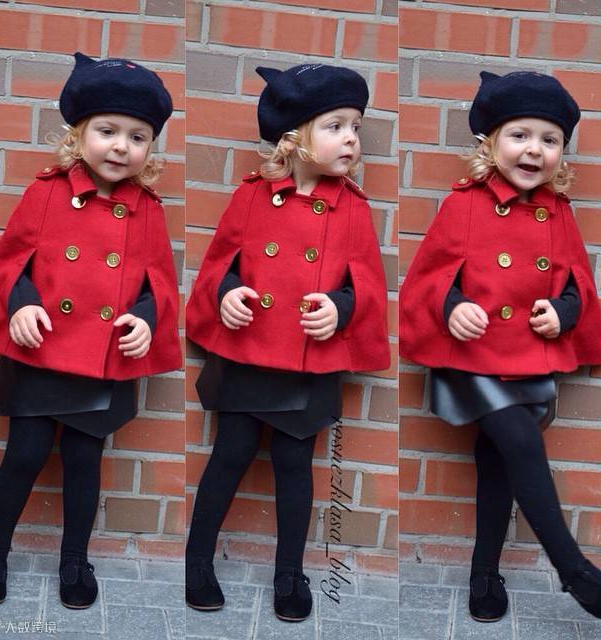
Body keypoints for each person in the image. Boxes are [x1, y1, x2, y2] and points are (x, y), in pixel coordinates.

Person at [400, 70, 601, 622]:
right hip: (471, 358)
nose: (534, 149)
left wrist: (561, 313)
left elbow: (576, 285)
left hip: (524, 356)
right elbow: (427, 279)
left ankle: (484, 573)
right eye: (520, 135)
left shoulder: (557, 212)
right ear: (491, 143)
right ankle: (573, 569)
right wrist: (453, 306)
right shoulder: (463, 206)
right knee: (520, 440)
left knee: (498, 461)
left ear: (561, 154)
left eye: (549, 139)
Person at [0, 52, 181, 609]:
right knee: (24, 455)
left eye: (137, 137)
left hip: (102, 359)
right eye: (107, 131)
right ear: (78, 135)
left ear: (150, 148)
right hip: (40, 352)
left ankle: (74, 560)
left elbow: (159, 282)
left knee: (84, 463)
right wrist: (20, 306)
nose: (121, 147)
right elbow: (9, 265)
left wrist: (146, 318)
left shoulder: (148, 211)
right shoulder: (45, 193)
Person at [185, 64, 390, 622]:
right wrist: (227, 293)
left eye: (356, 127)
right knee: (229, 454)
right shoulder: (250, 197)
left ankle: (289, 573)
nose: (351, 138)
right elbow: (218, 266)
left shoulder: (352, 208)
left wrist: (340, 308)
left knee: (294, 463)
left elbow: (367, 285)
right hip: (248, 353)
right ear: (294, 137)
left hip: (307, 359)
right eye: (336, 126)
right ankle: (197, 563)